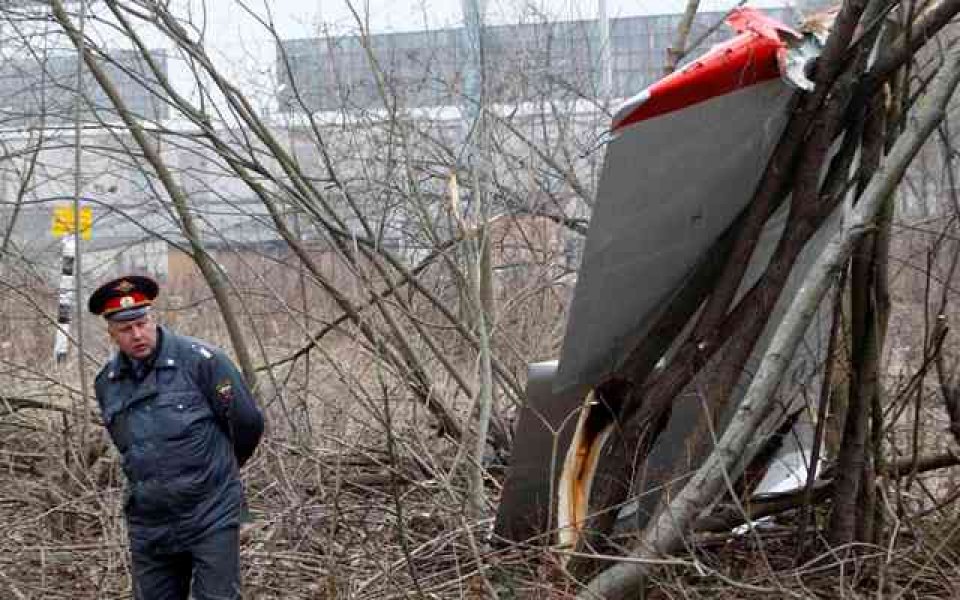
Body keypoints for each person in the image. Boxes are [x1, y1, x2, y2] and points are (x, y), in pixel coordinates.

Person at [88, 274, 264, 600]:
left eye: (142, 323)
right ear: (111, 333)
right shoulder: (107, 382)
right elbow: (129, 447)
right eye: (126, 329)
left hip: (210, 511)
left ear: (153, 318)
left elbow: (248, 424)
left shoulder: (202, 362)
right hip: (150, 520)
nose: (137, 334)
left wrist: (218, 470)